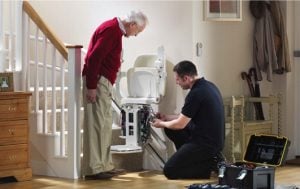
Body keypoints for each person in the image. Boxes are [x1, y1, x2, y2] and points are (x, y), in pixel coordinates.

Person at [81, 10, 148, 180]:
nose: (135, 35)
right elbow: (94, 58)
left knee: (104, 125)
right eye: (137, 31)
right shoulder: (111, 30)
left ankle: (104, 165)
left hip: (104, 82)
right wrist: (91, 86)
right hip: (98, 81)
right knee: (96, 125)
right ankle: (94, 168)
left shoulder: (115, 31)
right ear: (132, 25)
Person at [151, 60, 225, 179]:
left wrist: (161, 123)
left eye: (177, 79)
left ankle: (207, 167)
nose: (176, 83)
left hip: (205, 144)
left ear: (186, 78)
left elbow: (180, 124)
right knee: (170, 129)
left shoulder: (195, 94)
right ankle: (202, 160)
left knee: (170, 170)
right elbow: (185, 117)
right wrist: (166, 118)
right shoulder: (209, 86)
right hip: (212, 140)